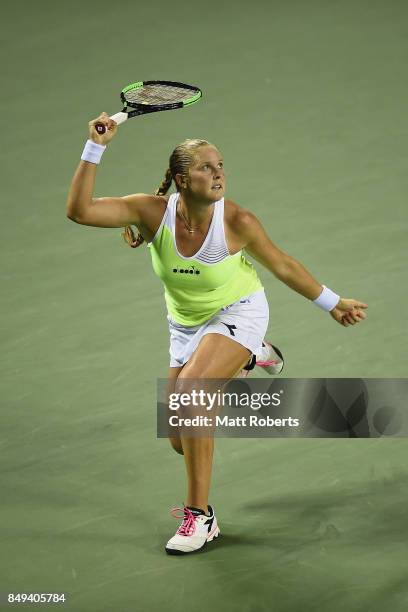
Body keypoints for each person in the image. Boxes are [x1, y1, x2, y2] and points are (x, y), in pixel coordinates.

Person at [66, 112, 368, 555]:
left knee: (192, 393)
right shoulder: (151, 213)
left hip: (239, 311)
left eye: (221, 165)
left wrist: (332, 302)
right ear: (181, 179)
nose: (219, 173)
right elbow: (79, 211)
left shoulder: (238, 222)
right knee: (179, 438)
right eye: (207, 167)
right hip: (186, 325)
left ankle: (200, 517)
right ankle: (246, 360)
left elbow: (281, 264)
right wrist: (96, 147)